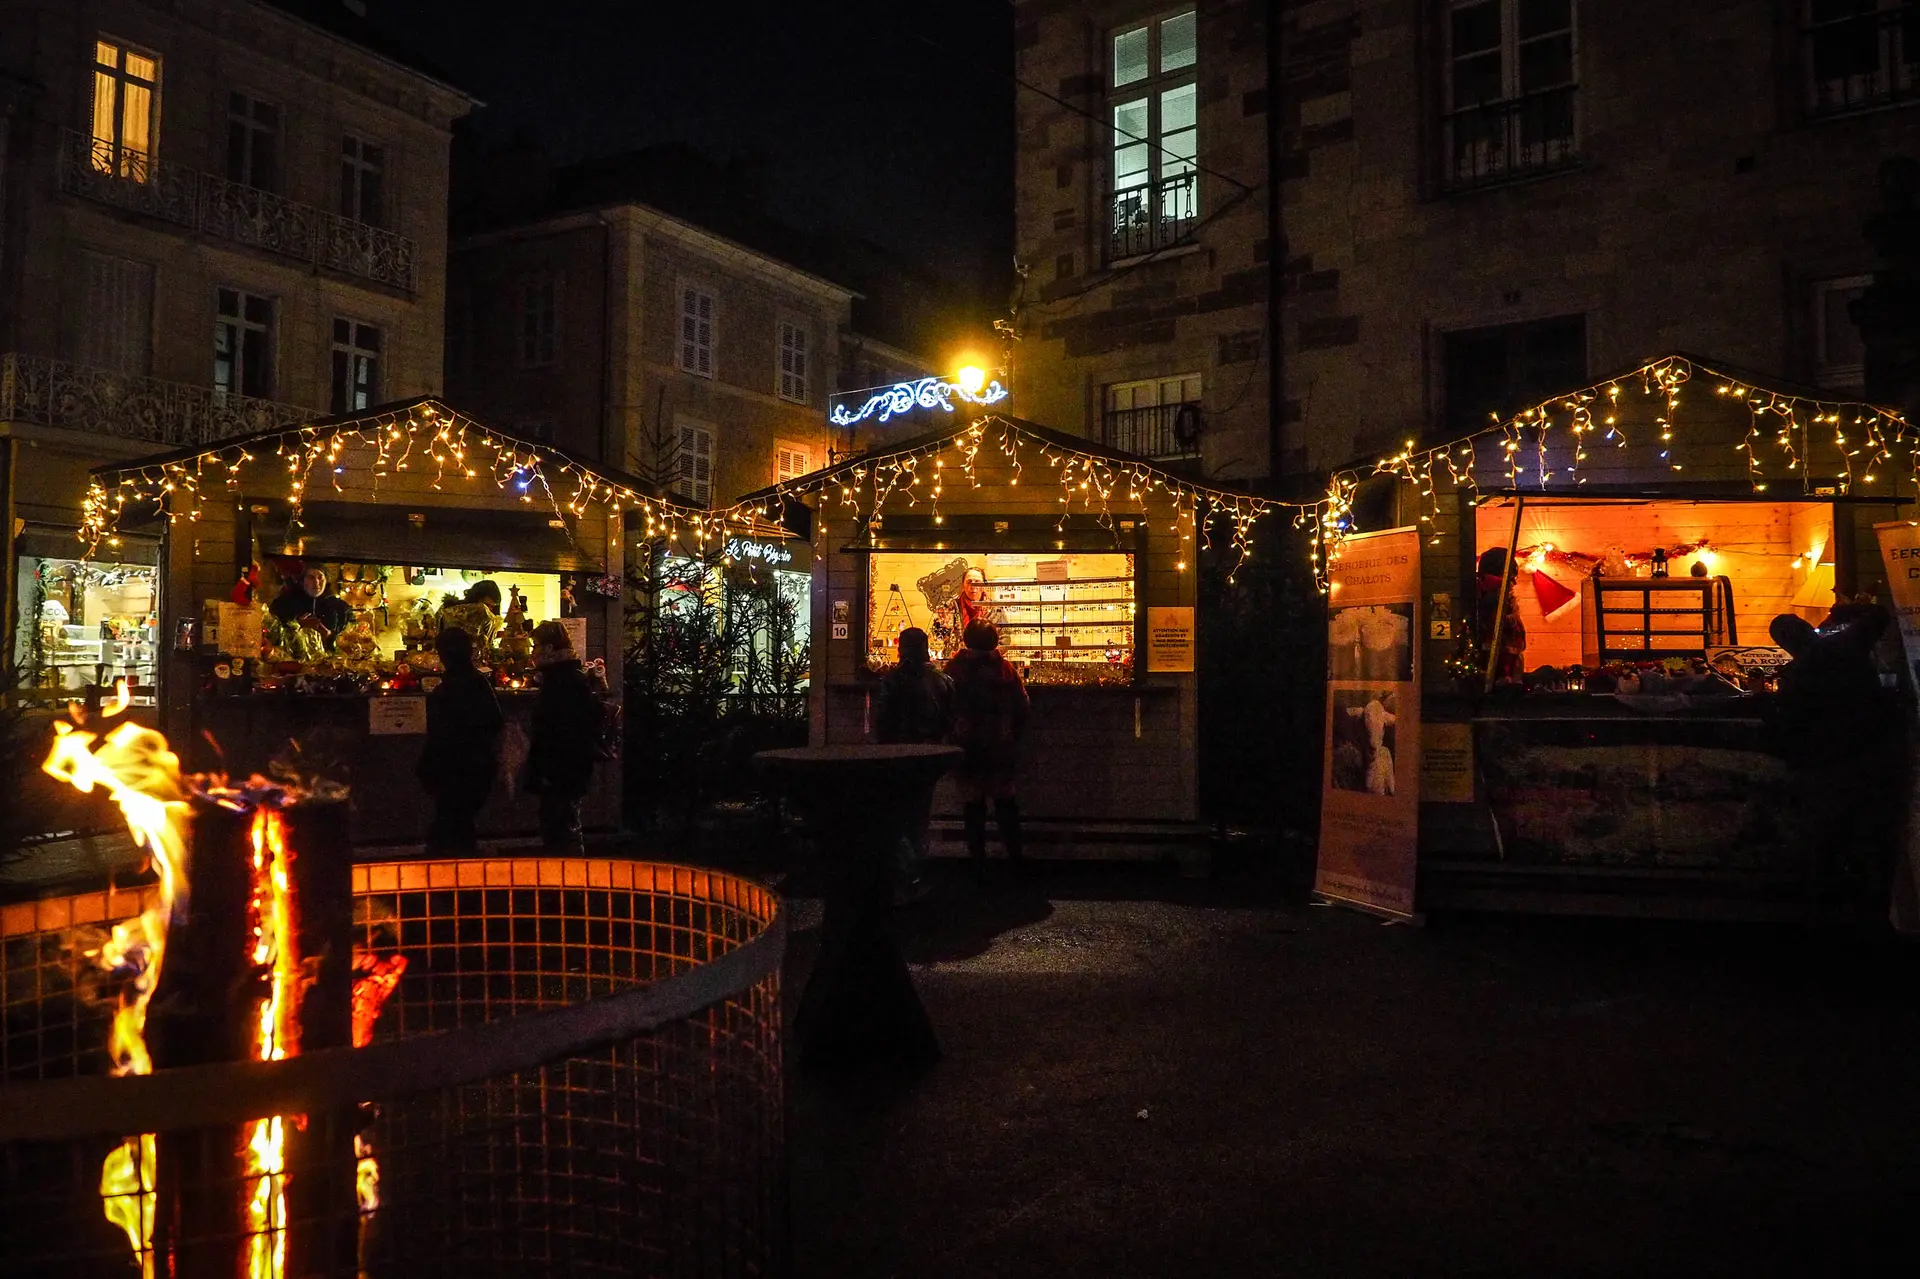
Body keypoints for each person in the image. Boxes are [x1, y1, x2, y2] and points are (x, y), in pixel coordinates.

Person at [1769, 604, 1904, 920]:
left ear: (1785, 646)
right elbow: (1880, 616)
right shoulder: (1846, 645)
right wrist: (1849, 609)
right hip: (1868, 755)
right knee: (1870, 835)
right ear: (1806, 628)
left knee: (1825, 840)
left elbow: (1788, 727)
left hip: (1824, 766)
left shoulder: (1794, 676)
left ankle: (1825, 911)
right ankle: (1873, 906)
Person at [945, 620, 1029, 882]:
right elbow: (1022, 706)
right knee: (1006, 803)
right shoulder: (1004, 670)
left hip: (968, 746)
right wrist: (1011, 733)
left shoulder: (955, 669)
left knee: (973, 806)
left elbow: (945, 705)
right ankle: (1015, 860)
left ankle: (978, 863)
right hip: (999, 746)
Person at [875, 627, 953, 902]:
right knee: (919, 816)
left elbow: (882, 721)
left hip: (897, 756)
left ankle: (904, 876)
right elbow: (949, 718)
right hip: (929, 756)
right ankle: (915, 874)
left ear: (902, 649)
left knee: (897, 817)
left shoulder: (893, 680)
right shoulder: (942, 680)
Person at [416, 627, 504, 853]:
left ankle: (451, 873)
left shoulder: (446, 689)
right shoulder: (477, 683)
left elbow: (439, 734)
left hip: (452, 768)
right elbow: (495, 722)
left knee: (450, 822)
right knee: (460, 822)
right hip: (476, 766)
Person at [524, 619, 602, 854]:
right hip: (567, 765)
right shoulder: (569, 676)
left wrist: (544, 767)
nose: (533, 652)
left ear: (549, 648)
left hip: (561, 766)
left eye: (535, 646)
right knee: (563, 820)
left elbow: (557, 729)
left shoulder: (561, 681)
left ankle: (568, 877)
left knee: (560, 823)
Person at [269, 565, 352, 650]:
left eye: (320, 578)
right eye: (311, 578)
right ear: (302, 581)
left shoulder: (340, 608)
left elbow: (347, 643)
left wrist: (329, 636)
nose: (316, 583)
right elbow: (274, 637)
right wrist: (297, 626)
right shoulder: (285, 603)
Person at [1474, 548, 1526, 681]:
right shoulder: (1496, 596)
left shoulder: (1487, 592)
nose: (1514, 582)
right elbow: (1501, 632)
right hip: (1502, 669)